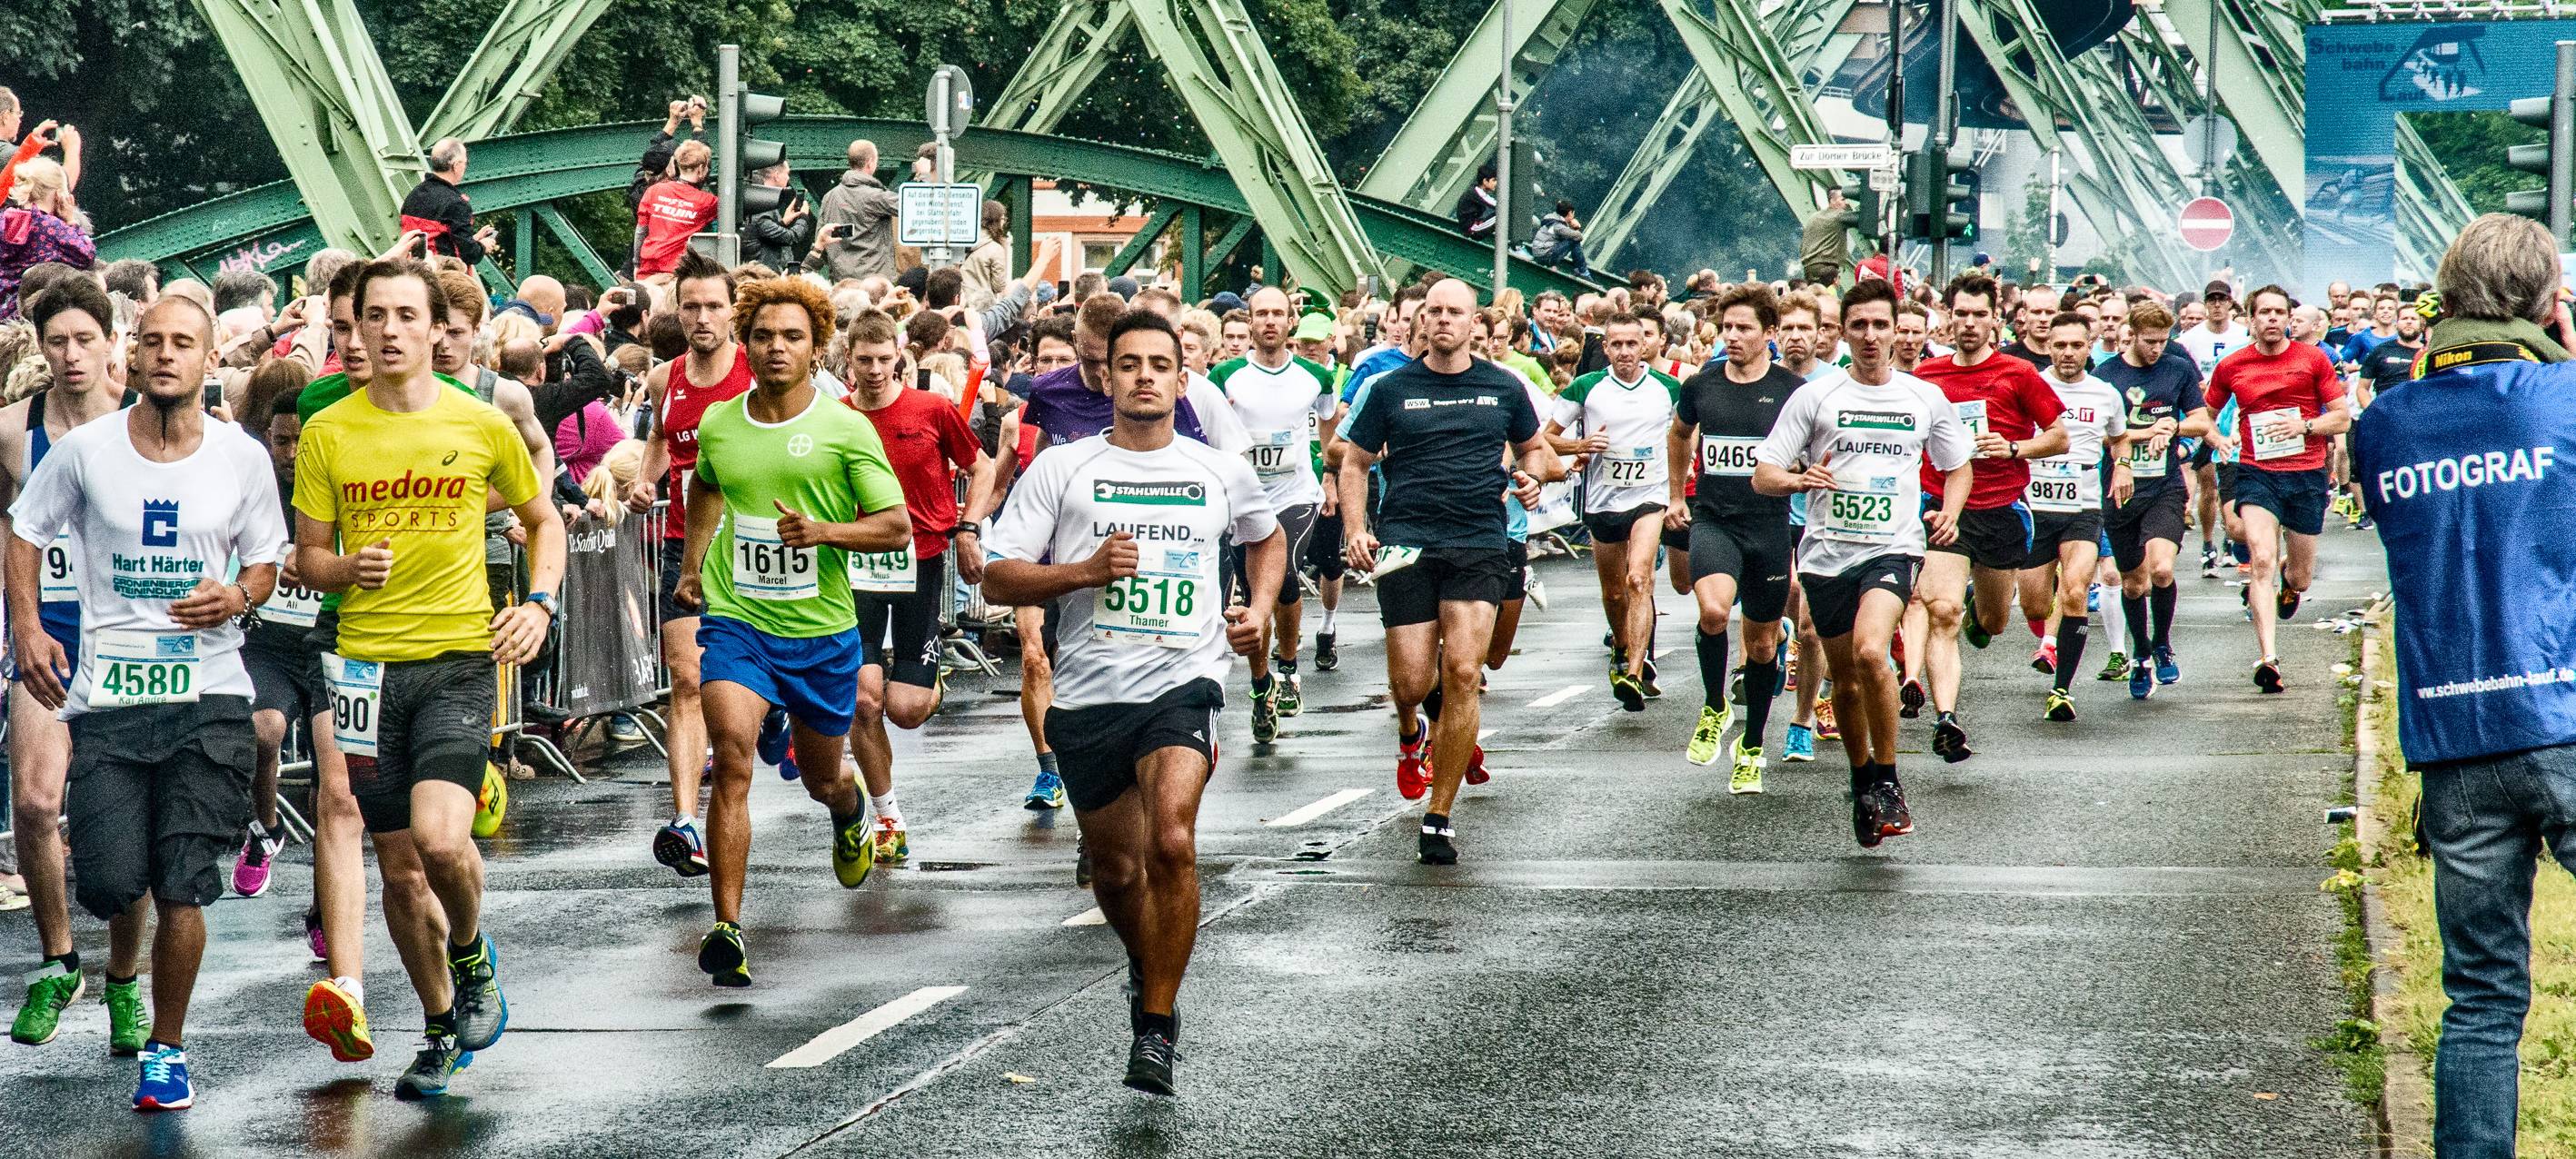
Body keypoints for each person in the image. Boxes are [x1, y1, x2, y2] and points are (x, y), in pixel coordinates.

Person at [981, 307, 1281, 1095]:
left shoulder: (1216, 469)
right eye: (1129, 364)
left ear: (1182, 381)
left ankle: (1156, 1022)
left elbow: (1266, 535)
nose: (1144, 376)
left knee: (1173, 840)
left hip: (1184, 681)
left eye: (1160, 364)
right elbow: (997, 575)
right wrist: (1080, 573)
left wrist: (1257, 609)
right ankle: (1142, 963)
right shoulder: (1063, 469)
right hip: (1086, 694)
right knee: (1116, 873)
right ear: (1105, 377)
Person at [290, 257, 564, 1099]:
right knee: (401, 867)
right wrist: (344, 568)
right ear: (359, 326)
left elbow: (542, 519)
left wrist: (540, 605)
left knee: (443, 840)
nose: (392, 329)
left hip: (455, 662)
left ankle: (474, 955)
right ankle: (442, 1026)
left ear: (437, 327)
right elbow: (307, 557)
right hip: (364, 674)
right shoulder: (328, 432)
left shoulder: (480, 423)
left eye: (409, 315)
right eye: (376, 315)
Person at [5, 294, 286, 1111]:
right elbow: (24, 530)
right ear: (133, 356)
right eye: (152, 342)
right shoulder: (88, 451)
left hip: (210, 695)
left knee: (182, 883)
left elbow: (266, 562)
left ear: (208, 361)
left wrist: (236, 595)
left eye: (183, 344)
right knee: (112, 882)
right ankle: (107, 964)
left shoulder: (239, 458)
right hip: (111, 698)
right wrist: (26, 629)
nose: (166, 355)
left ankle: (167, 1049)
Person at [2352, 213, 2576, 1159]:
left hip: (2452, 736)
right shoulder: (2561, 400)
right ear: (2542, 305)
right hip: (2562, 711)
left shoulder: (2382, 425)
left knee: (2481, 994)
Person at [673, 275, 910, 987]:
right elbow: (708, 482)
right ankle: (727, 929)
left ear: (817, 349)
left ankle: (849, 810)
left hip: (822, 634)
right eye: (764, 336)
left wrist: (823, 531)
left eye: (792, 337)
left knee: (820, 779)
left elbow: (894, 525)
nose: (776, 348)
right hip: (739, 618)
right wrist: (692, 564)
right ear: (745, 343)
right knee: (734, 755)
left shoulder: (845, 427)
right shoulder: (720, 422)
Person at [1338, 279, 1557, 864]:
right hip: (1407, 541)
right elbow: (1353, 463)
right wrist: (1357, 528)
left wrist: (1532, 475)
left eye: (1454, 312)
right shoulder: (1389, 389)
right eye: (1432, 311)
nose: (1442, 320)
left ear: (1471, 321)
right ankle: (1412, 732)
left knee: (1463, 671)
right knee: (1412, 682)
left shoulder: (1503, 385)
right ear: (1419, 322)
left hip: (1479, 542)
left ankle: (1439, 815)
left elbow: (1535, 448)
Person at [1752, 277, 1974, 847]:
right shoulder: (1816, 397)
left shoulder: (1923, 398)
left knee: (1874, 652)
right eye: (1860, 326)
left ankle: (1891, 778)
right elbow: (1765, 473)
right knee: (1845, 682)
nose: (1872, 336)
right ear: (1843, 333)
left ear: (1899, 330)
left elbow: (1957, 464)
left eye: (1882, 324)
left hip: (1892, 548)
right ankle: (1861, 782)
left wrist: (1949, 511)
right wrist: (1799, 479)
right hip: (1827, 556)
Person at [4, 279, 144, 1050]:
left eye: (85, 339)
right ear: (39, 346)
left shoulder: (145, 427)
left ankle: (125, 978)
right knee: (32, 801)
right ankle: (60, 962)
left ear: (112, 339)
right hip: (47, 638)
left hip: (129, 646)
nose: (71, 355)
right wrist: (19, 624)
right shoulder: (11, 431)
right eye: (56, 341)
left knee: (124, 829)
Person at [841, 308, 997, 862]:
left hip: (921, 560)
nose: (876, 370)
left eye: (885, 360)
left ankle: (927, 682)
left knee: (904, 709)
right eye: (865, 361)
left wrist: (968, 529)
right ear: (849, 360)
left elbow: (983, 467)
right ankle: (886, 818)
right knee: (865, 700)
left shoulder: (931, 409)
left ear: (899, 357)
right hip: (855, 565)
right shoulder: (837, 417)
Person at [1907, 273, 2069, 762]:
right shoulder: (1927, 377)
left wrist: (2015, 446)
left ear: (1996, 320)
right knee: (1942, 613)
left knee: (1994, 622)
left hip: (2001, 509)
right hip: (1942, 508)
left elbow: (2059, 436)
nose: (1970, 323)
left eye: (1980, 315)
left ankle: (1982, 602)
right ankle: (1946, 720)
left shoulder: (2018, 373)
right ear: (1948, 318)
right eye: (1961, 314)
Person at [629, 253, 752, 876]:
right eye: (691, 306)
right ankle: (684, 820)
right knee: (685, 681)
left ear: (733, 310)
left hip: (759, 545)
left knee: (753, 688)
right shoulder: (663, 379)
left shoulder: (760, 375)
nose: (701, 317)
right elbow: (658, 441)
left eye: (713, 306)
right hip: (688, 548)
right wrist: (646, 483)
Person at [1665, 283, 1802, 788]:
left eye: (1745, 328)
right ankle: (1714, 705)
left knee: (1763, 646)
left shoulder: (1792, 390)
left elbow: (1818, 444)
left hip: (1768, 526)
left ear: (1770, 333)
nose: (1734, 336)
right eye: (1727, 328)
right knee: (1714, 611)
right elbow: (1680, 435)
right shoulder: (1702, 384)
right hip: (1714, 518)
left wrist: (1806, 470)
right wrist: (1677, 495)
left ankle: (1752, 745)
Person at [2203, 284, 2348, 692]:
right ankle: (2268, 657)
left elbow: (2340, 418)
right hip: (2257, 472)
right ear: (2250, 318)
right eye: (2263, 312)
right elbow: (2205, 415)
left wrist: (2304, 426)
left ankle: (2291, 584)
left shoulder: (2313, 359)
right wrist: (2219, 440)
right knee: (2262, 559)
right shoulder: (2233, 365)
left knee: (2300, 576)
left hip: (2305, 474)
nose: (2270, 318)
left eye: (2278, 312)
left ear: (2288, 319)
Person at [1208, 286, 1337, 743]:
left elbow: (1328, 435)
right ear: (1250, 319)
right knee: (1249, 592)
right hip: (1242, 500)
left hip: (1295, 495)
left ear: (1290, 322)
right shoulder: (1225, 376)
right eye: (1260, 313)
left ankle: (1288, 670)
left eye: (1277, 314)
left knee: (1280, 579)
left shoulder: (1316, 377)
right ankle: (1262, 684)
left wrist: (1332, 480)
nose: (1268, 322)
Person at [1547, 313, 1681, 708]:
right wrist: (1583, 446)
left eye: (1631, 344)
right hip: (1603, 501)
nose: (1624, 352)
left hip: (1648, 497)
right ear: (1605, 348)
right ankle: (1622, 647)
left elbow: (1685, 435)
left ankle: (1636, 672)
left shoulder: (1668, 388)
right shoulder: (1586, 388)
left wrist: (1678, 491)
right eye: (1616, 344)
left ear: (1645, 346)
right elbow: (1545, 439)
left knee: (1640, 578)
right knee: (1614, 591)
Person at [2094, 300, 2210, 699]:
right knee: (2132, 584)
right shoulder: (2106, 375)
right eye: (2149, 341)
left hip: (2164, 486)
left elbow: (2202, 421)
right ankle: (2140, 654)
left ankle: (2161, 643)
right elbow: (2103, 434)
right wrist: (2146, 433)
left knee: (2161, 570)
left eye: (2163, 340)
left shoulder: (2177, 369)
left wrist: (2174, 424)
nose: (2157, 348)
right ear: (2131, 334)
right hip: (2121, 488)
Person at [2013, 312, 2125, 721]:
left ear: (2089, 345)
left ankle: (2062, 690)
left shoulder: (2105, 393)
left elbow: (2119, 436)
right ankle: (2031, 627)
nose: (2067, 353)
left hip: (2082, 506)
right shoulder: (2032, 386)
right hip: (2035, 505)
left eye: (2076, 345)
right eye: (2059, 345)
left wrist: (2125, 462)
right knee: (2036, 605)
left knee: (2075, 592)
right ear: (2048, 346)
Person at [396, 139, 500, 265]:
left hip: (413, 271)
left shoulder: (414, 195)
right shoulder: (457, 203)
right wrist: (483, 246)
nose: (465, 167)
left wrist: (473, 239)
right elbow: (469, 254)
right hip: (442, 276)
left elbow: (434, 238)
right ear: (456, 166)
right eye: (465, 163)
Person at [817, 140, 900, 282]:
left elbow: (823, 237)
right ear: (870, 162)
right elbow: (917, 206)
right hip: (874, 282)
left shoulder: (829, 197)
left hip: (842, 282)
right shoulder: (875, 196)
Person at [635, 141, 719, 278]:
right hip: (678, 274)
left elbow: (641, 231)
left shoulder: (654, 190)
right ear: (701, 168)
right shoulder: (708, 202)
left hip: (648, 271)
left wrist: (636, 264)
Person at [741, 161, 815, 273]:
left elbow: (764, 235)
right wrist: (803, 216)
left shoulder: (760, 200)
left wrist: (783, 223)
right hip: (763, 276)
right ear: (776, 175)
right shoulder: (761, 206)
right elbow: (791, 237)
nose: (788, 178)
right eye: (787, 173)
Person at [1800, 188, 1852, 286]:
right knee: (1827, 296)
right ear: (1832, 200)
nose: (1847, 203)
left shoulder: (1814, 217)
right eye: (1843, 199)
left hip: (1809, 266)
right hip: (1825, 266)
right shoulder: (1839, 216)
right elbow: (1863, 220)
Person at [1456, 163, 1499, 241]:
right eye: (1494, 180)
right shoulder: (1476, 192)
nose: (1496, 183)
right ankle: (1515, 246)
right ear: (1485, 181)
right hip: (1473, 230)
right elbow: (1498, 205)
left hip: (1474, 226)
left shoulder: (1474, 190)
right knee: (1503, 215)